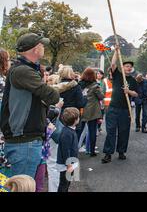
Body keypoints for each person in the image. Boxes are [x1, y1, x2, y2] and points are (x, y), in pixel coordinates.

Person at [0, 33, 60, 177]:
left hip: (24, 139)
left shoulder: (22, 69)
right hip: (24, 140)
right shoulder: (23, 71)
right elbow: (52, 96)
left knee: (23, 184)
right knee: (23, 185)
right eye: (42, 44)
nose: (44, 47)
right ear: (34, 49)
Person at [102, 46, 138, 164]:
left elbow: (136, 94)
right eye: (126, 66)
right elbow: (113, 64)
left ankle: (121, 151)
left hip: (125, 109)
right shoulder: (117, 75)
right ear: (122, 67)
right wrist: (116, 52)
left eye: (130, 67)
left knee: (124, 131)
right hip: (112, 108)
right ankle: (108, 153)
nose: (128, 68)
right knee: (111, 131)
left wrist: (129, 92)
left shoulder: (133, 80)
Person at [57, 65, 87, 143]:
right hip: (73, 115)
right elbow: (81, 103)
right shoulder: (76, 87)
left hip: (59, 115)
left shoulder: (56, 86)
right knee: (73, 142)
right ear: (71, 74)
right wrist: (85, 98)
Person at [79, 68, 104, 157]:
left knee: (79, 131)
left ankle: (74, 149)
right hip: (92, 111)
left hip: (81, 110)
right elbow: (101, 96)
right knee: (92, 131)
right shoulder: (95, 86)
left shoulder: (79, 84)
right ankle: (92, 151)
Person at [56, 107, 80, 192]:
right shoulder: (67, 133)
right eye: (78, 117)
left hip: (70, 162)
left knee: (67, 183)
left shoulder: (70, 130)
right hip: (66, 164)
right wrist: (69, 165)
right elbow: (65, 150)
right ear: (75, 120)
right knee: (64, 184)